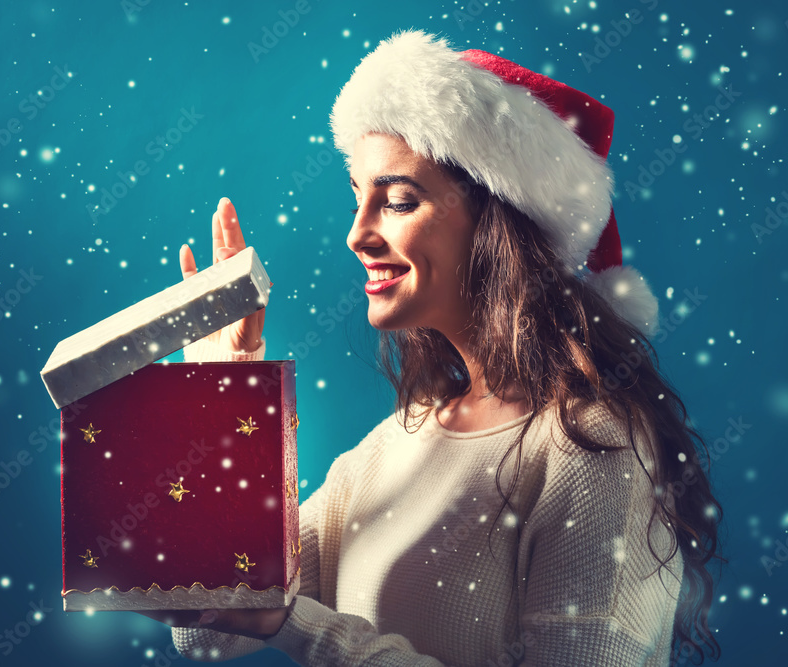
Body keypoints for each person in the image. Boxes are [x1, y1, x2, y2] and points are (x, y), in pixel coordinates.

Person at [139, 30, 724, 666]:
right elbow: (205, 621)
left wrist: (301, 626)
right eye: (357, 196)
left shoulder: (593, 450)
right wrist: (227, 382)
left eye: (397, 201)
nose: (357, 233)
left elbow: (266, 614)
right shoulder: (389, 449)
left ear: (498, 222)